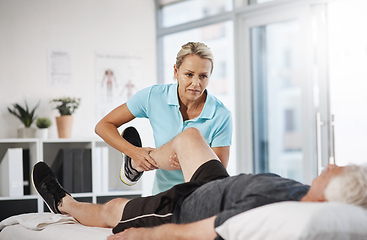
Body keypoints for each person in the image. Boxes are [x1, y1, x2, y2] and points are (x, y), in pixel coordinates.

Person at [31, 127, 367, 240]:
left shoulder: (274, 216)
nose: (332, 164)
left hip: (183, 207)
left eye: (338, 170)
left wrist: (146, 235)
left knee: (112, 210)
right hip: (216, 183)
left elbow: (192, 233)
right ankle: (135, 163)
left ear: (332, 197)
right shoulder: (301, 194)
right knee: (189, 136)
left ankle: (62, 203)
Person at [95, 42, 232, 194]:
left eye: (203, 76)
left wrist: (189, 161)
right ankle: (133, 162)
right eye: (189, 74)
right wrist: (134, 152)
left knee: (189, 139)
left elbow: (217, 173)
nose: (196, 83)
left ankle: (133, 166)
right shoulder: (154, 96)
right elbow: (103, 126)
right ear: (176, 71)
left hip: (200, 195)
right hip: (162, 194)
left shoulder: (221, 115)